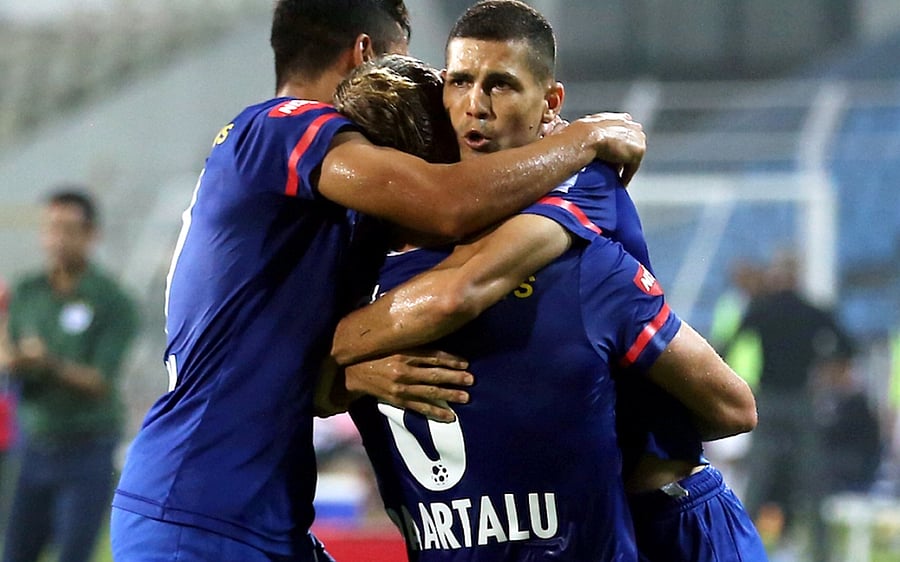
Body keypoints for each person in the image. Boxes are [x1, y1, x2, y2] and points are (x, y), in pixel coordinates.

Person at [109, 1, 648, 560]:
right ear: (367, 55)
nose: (430, 96)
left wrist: (360, 370)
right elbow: (449, 203)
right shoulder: (278, 126)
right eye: (406, 61)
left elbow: (292, 375)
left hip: (258, 512)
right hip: (198, 508)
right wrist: (582, 141)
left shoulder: (327, 206)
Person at [327, 2, 762, 560]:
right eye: (459, 82)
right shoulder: (387, 264)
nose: (474, 107)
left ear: (549, 104)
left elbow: (734, 409)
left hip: (667, 511)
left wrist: (338, 350)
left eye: (500, 86)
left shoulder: (581, 188)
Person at [0, 189, 139, 562]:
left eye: (68, 228)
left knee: (74, 553)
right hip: (31, 444)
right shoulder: (28, 290)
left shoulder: (113, 300)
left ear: (91, 234)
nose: (56, 238)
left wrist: (48, 362)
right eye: (50, 228)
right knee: (13, 551)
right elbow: (7, 351)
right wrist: (13, 358)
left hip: (87, 447)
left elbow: (101, 379)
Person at [731, 252, 856, 560]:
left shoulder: (762, 309)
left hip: (769, 402)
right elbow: (847, 346)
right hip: (801, 400)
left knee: (758, 481)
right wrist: (826, 371)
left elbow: (728, 345)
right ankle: (822, 553)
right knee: (812, 482)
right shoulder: (812, 311)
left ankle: (740, 550)